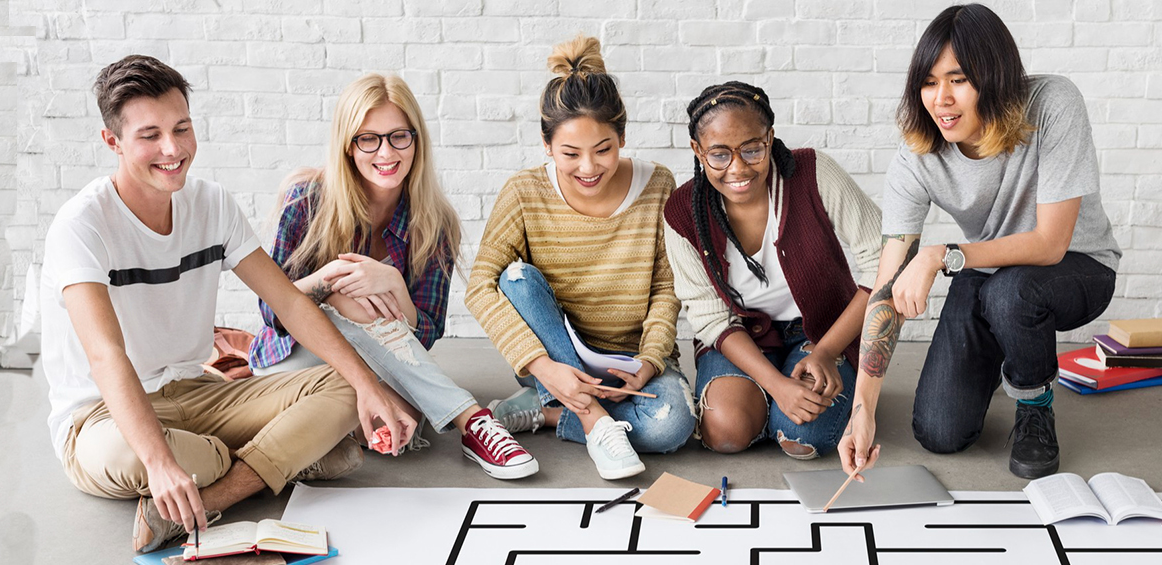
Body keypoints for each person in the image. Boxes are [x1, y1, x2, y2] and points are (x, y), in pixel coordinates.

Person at [40, 55, 417, 553]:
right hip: (102, 415)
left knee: (349, 386)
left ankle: (220, 487)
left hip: (197, 392)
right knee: (130, 455)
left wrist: (368, 388)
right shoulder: (81, 225)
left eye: (181, 128)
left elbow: (288, 302)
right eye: (149, 135)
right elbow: (107, 356)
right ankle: (281, 455)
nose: (172, 149)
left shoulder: (211, 204)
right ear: (113, 142)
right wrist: (158, 463)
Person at [837, 4, 1121, 480]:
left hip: (1078, 267)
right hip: (987, 272)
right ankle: (1003, 353)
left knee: (1013, 294)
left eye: (958, 79)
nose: (940, 99)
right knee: (940, 433)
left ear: (996, 77)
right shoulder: (916, 157)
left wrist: (941, 256)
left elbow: (1051, 244)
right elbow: (887, 284)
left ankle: (1035, 402)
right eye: (929, 82)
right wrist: (863, 408)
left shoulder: (1053, 104)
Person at [248, 73, 537, 480]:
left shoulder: (435, 223)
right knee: (345, 293)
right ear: (348, 146)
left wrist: (396, 287)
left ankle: (331, 434)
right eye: (369, 138)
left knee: (404, 417)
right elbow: (270, 312)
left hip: (378, 361)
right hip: (295, 362)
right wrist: (328, 279)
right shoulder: (308, 200)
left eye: (399, 136)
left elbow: (425, 335)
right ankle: (472, 421)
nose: (386, 151)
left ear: (417, 141)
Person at [465, 35, 696, 481]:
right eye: (571, 153)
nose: (588, 168)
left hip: (628, 359)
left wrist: (648, 363)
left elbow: (668, 287)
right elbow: (480, 287)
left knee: (672, 426)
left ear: (623, 137)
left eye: (603, 149)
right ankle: (588, 416)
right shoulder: (523, 192)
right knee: (514, 278)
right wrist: (546, 367)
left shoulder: (658, 185)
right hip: (557, 355)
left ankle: (547, 414)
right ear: (546, 144)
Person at [663, 81, 883, 460]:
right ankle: (763, 398)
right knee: (725, 432)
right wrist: (777, 385)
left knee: (803, 435)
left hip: (819, 330)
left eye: (752, 149)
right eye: (719, 154)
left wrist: (828, 351)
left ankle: (785, 400)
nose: (738, 168)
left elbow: (884, 259)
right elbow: (709, 317)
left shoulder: (813, 173)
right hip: (739, 337)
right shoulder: (683, 212)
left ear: (770, 138)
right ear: (698, 151)